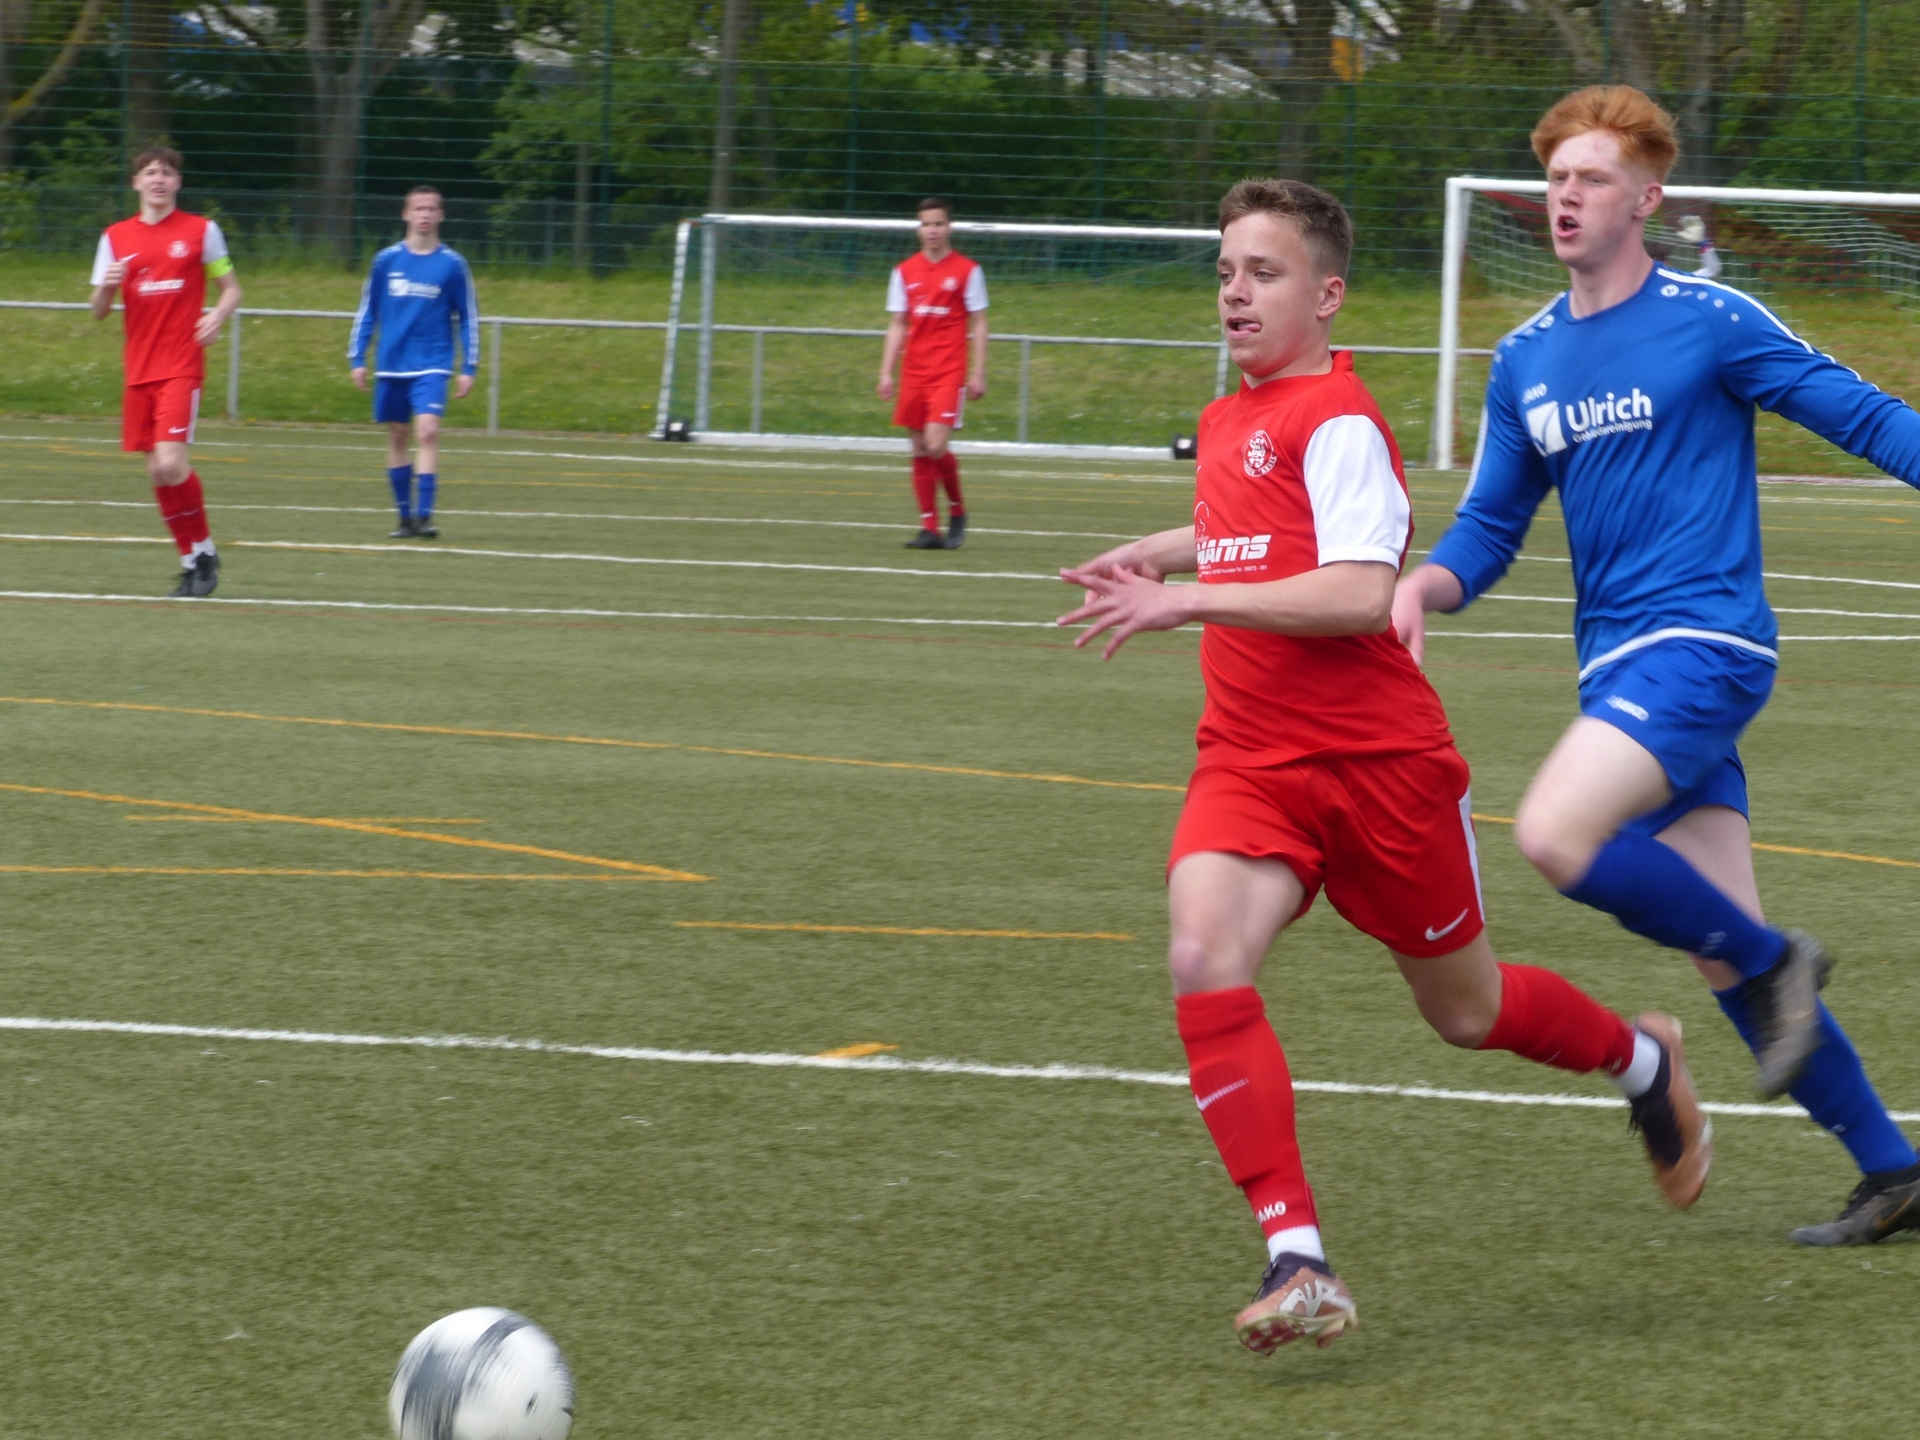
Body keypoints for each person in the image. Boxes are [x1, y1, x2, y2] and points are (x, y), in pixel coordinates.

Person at [1058, 177, 1707, 1355]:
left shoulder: (1340, 417)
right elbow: (1260, 527)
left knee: (1469, 1011)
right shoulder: (1233, 415)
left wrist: (1188, 600)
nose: (1235, 292)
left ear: (1327, 294)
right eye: (1225, 271)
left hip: (1381, 770)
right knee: (1203, 953)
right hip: (1251, 763)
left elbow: (1361, 592)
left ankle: (1642, 1058)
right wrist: (1166, 548)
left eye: (1264, 273)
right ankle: (1297, 1256)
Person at [1394, 85, 1920, 1246]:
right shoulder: (1526, 357)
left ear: (1646, 199)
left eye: (1592, 178)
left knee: (1556, 834)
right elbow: (1491, 524)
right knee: (1716, 941)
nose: (1566, 196)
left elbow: (1868, 418)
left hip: (1705, 647)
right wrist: (1426, 584)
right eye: (1556, 178)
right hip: (1618, 672)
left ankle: (1781, 962)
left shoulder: (1712, 319)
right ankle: (1893, 1170)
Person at [89, 145, 242, 597]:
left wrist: (217, 315)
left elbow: (231, 289)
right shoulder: (115, 237)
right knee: (157, 472)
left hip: (180, 364)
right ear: (136, 182)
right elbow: (98, 310)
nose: (159, 179)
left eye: (168, 172)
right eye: (151, 172)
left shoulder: (201, 231)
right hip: (139, 369)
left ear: (178, 182)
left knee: (172, 461)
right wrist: (107, 288)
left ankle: (206, 552)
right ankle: (190, 561)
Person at [349, 186, 480, 539]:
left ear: (441, 215)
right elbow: (368, 311)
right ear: (406, 214)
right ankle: (404, 519)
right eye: (419, 208)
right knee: (397, 435)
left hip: (433, 362)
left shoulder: (452, 264)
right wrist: (358, 357)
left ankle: (425, 516)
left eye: (431, 209)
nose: (425, 214)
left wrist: (469, 366)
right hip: (392, 362)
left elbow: (467, 317)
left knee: (428, 431)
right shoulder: (386, 261)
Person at [877, 197, 988, 549]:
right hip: (914, 370)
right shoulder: (904, 271)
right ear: (919, 228)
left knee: (936, 445)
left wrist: (978, 373)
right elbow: (897, 324)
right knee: (919, 449)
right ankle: (929, 528)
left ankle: (957, 510)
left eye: (938, 223)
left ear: (949, 227)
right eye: (926, 224)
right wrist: (886, 372)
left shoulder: (968, 271)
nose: (932, 230)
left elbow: (979, 322)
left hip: (948, 370)